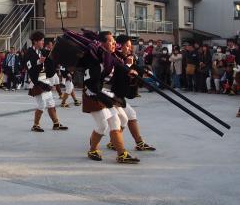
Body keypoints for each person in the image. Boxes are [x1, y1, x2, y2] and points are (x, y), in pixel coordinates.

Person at [81, 31, 140, 163]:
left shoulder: (108, 56)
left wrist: (129, 70)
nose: (114, 44)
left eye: (114, 41)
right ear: (102, 43)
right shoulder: (94, 59)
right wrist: (103, 96)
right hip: (92, 95)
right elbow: (91, 84)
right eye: (110, 41)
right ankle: (92, 150)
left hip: (102, 94)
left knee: (116, 122)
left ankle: (121, 154)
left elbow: (119, 65)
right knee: (102, 125)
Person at [107, 34, 155, 152]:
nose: (130, 48)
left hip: (117, 95)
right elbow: (116, 76)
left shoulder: (125, 57)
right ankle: (112, 143)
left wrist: (145, 71)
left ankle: (124, 142)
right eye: (127, 46)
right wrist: (128, 65)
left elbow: (135, 67)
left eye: (130, 46)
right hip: (108, 94)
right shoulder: (113, 57)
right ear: (119, 46)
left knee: (129, 116)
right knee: (109, 124)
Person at [25, 31, 68, 133]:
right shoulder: (29, 52)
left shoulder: (42, 51)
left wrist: (60, 44)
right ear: (35, 41)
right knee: (42, 105)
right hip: (37, 82)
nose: (43, 42)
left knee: (51, 103)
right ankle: (35, 125)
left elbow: (52, 55)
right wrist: (38, 62)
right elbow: (29, 67)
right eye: (41, 40)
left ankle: (56, 123)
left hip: (45, 80)